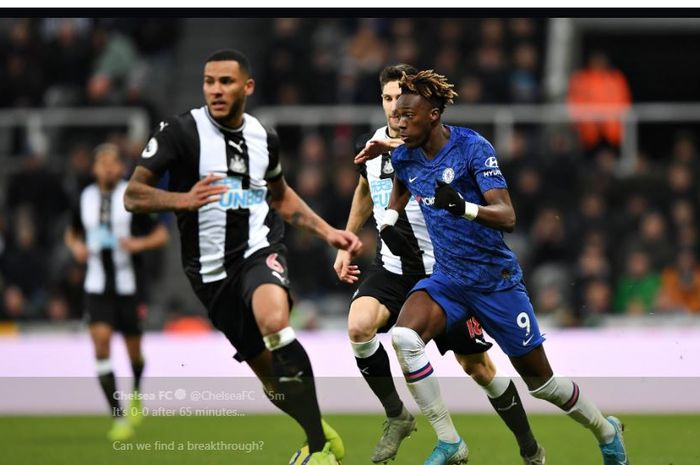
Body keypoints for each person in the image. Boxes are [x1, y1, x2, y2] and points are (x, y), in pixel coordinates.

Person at [355, 70, 630, 465]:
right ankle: (449, 440)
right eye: (395, 116)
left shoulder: (472, 147)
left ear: (432, 115)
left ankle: (606, 430)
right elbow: (402, 186)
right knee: (404, 338)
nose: (398, 125)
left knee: (543, 384)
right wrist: (387, 219)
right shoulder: (403, 153)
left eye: (406, 117)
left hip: (494, 281)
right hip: (448, 279)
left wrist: (463, 207)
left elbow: (507, 216)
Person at [123, 49, 361, 465]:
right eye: (209, 81)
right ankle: (319, 434)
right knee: (271, 381)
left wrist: (328, 232)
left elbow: (281, 197)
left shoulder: (263, 138)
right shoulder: (180, 133)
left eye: (226, 82)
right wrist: (183, 199)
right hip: (209, 273)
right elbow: (133, 195)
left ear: (246, 86)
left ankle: (319, 451)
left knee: (274, 321)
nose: (216, 90)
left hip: (259, 250)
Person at [335, 64, 545, 464]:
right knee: (359, 326)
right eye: (387, 98)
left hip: (442, 272)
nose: (395, 106)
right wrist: (347, 240)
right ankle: (399, 417)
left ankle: (529, 445)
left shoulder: (428, 145)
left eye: (401, 97)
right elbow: (365, 189)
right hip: (393, 268)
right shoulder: (374, 146)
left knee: (478, 367)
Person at [64, 143, 170, 441]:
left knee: (134, 352)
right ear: (95, 169)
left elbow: (162, 234)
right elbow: (71, 232)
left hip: (129, 287)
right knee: (100, 346)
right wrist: (76, 248)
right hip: (97, 287)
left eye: (114, 162)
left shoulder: (134, 196)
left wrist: (140, 244)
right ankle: (118, 416)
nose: (109, 168)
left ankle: (136, 392)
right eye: (103, 163)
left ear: (121, 168)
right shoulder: (84, 198)